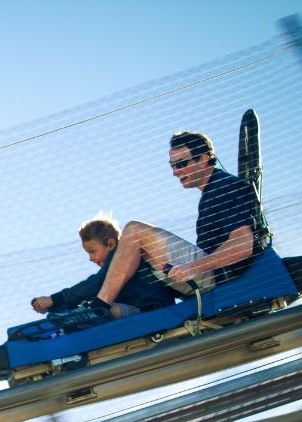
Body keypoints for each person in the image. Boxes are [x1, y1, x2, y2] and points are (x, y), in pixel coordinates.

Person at [77, 131, 257, 316]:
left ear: (203, 159)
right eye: (172, 166)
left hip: (221, 277)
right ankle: (140, 310)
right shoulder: (211, 193)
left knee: (134, 231)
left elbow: (243, 244)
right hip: (215, 275)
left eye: (181, 164)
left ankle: (99, 307)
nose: (175, 172)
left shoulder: (223, 187)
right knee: (137, 255)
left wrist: (192, 268)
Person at [31, 216, 177, 319]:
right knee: (95, 304)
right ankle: (69, 315)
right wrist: (54, 306)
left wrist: (54, 299)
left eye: (92, 251)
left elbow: (96, 283)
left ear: (111, 244)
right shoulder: (117, 267)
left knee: (103, 309)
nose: (90, 258)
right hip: (143, 308)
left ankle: (76, 319)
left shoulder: (121, 259)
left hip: (153, 310)